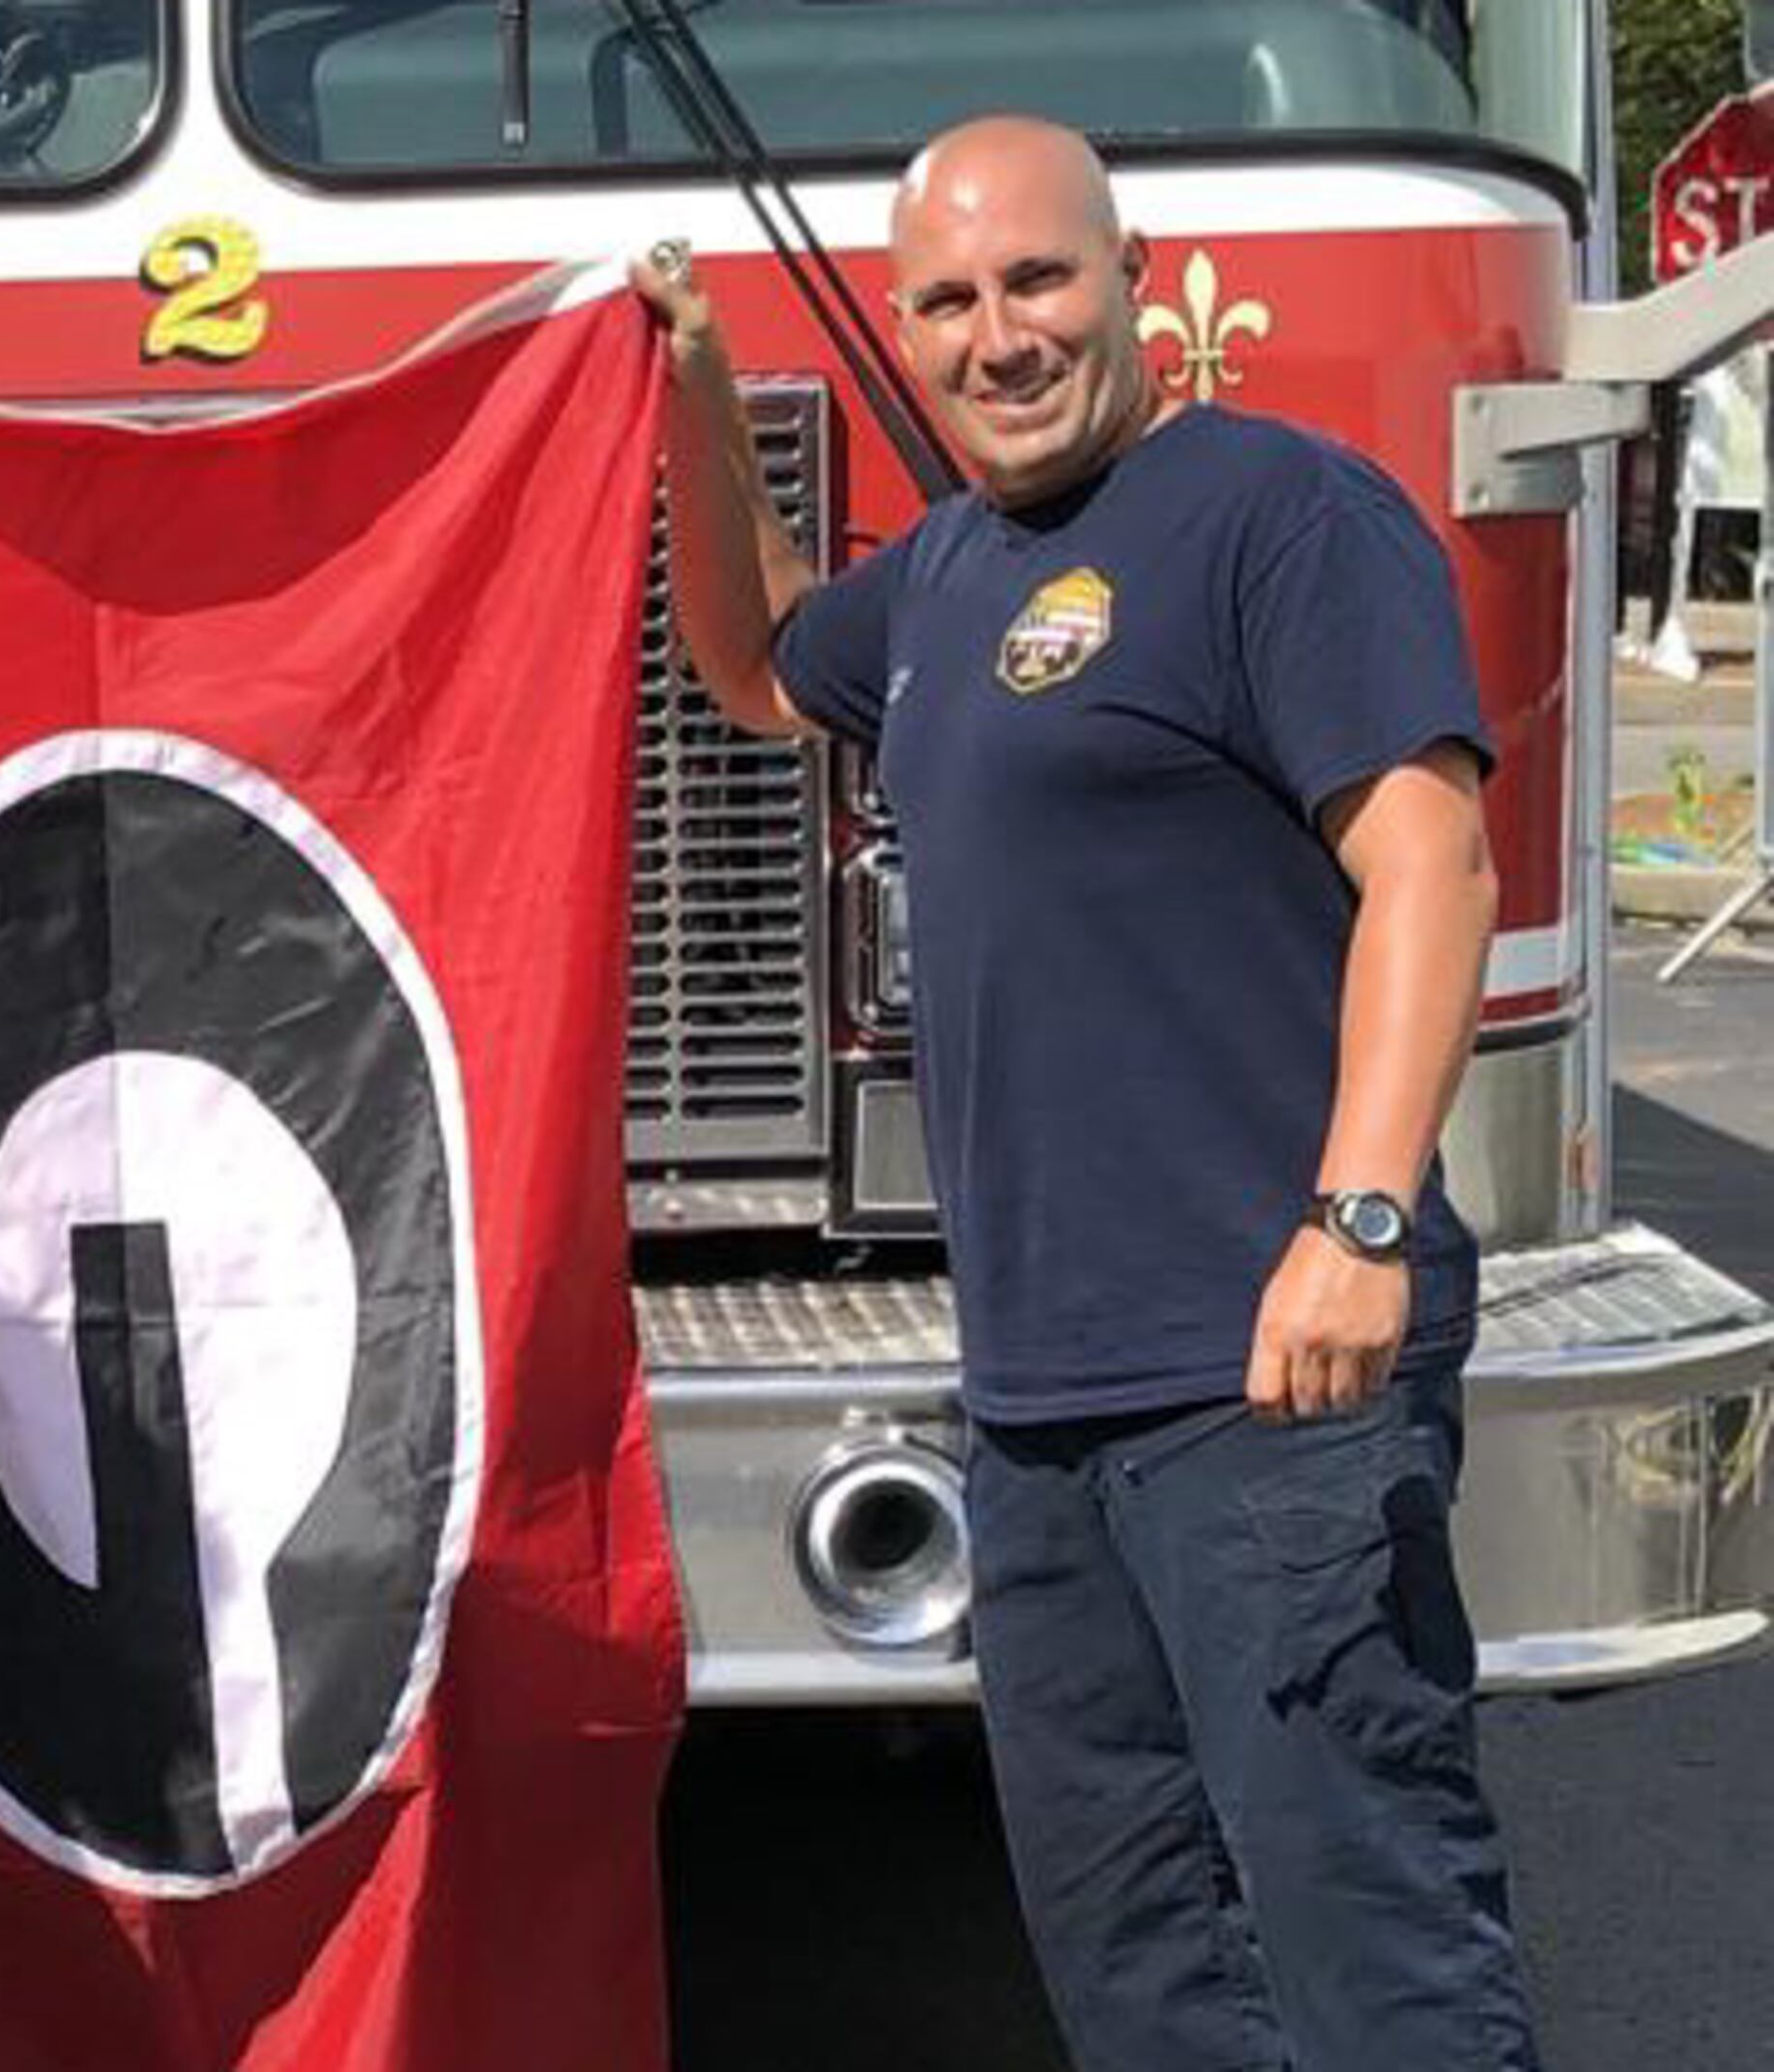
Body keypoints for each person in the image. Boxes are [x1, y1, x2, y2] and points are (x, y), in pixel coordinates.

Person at [635, 116, 1536, 2072]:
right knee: (1139, 1965)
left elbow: (1434, 865)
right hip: (1038, 1411)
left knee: (1370, 1945)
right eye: (948, 302)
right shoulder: (949, 574)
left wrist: (1361, 1216)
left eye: (1038, 278)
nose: (1001, 337)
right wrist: (698, 390)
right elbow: (758, 661)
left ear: (1133, 275)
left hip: (1270, 1380)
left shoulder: (1283, 516)